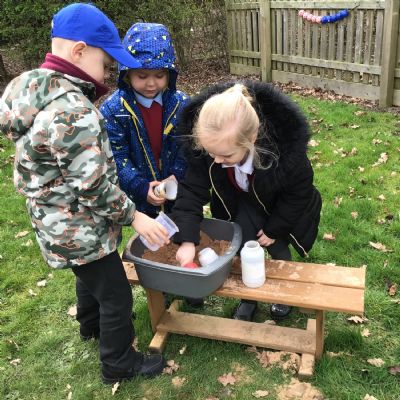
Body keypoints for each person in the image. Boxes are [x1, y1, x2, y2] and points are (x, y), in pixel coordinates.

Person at [0, 3, 170, 384]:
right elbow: (92, 186)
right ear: (79, 51)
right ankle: (119, 364)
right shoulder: (72, 110)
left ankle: (90, 327)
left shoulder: (34, 92)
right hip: (78, 224)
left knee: (89, 274)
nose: (107, 73)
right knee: (116, 294)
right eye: (105, 63)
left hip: (54, 220)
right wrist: (135, 216)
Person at [172, 80, 322, 321]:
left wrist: (276, 228)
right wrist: (187, 239)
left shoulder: (286, 154)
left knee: (277, 247)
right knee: (243, 247)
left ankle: (284, 293)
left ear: (252, 138)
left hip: (277, 207)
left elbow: (298, 194)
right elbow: (191, 191)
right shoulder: (215, 146)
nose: (216, 161)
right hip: (237, 203)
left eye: (226, 155)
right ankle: (248, 299)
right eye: (211, 153)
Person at [100, 22, 189, 218]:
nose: (151, 83)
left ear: (169, 74)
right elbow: (116, 156)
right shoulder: (113, 110)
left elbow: (188, 145)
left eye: (159, 75)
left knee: (184, 231)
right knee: (151, 236)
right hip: (142, 198)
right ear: (127, 74)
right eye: (142, 76)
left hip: (180, 193)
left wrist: (178, 174)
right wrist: (139, 186)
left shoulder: (181, 104)